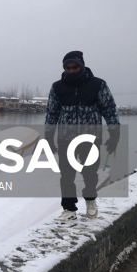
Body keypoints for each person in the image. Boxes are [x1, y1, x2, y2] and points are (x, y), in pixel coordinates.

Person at [45, 51, 120, 220]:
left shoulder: (98, 85)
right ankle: (69, 209)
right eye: (68, 67)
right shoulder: (57, 87)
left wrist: (114, 134)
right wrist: (48, 137)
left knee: (90, 173)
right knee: (67, 175)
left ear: (82, 65)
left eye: (75, 67)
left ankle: (91, 201)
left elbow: (109, 110)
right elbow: (52, 113)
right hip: (66, 138)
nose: (72, 70)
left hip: (91, 137)